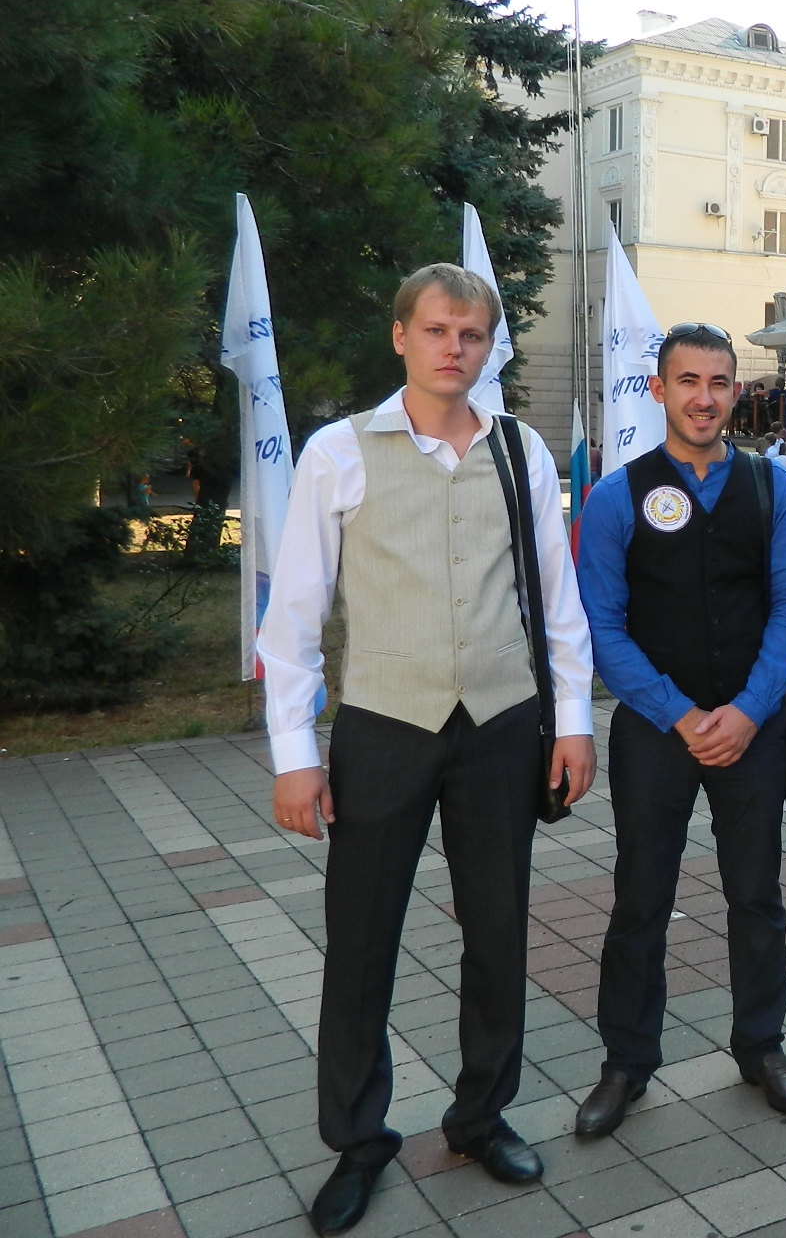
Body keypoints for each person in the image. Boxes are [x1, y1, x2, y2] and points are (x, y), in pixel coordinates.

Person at [260, 264, 597, 1235]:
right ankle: (358, 1140)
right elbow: (294, 615)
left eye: (473, 334)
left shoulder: (518, 450)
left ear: (489, 347)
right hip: (384, 724)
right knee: (362, 940)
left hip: (500, 723)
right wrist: (294, 751)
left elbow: (555, 597)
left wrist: (573, 722)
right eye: (439, 329)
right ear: (401, 336)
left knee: (498, 932)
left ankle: (480, 1115)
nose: (456, 347)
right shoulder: (339, 451)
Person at [571, 321, 786, 1140]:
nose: (704, 398)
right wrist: (679, 714)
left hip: (753, 728)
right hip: (654, 732)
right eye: (687, 381)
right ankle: (626, 1060)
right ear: (658, 390)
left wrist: (748, 710)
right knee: (641, 899)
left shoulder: (771, 488)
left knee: (757, 896)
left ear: (736, 392)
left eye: (718, 383)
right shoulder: (617, 496)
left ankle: (762, 1046)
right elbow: (603, 627)